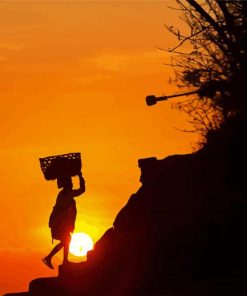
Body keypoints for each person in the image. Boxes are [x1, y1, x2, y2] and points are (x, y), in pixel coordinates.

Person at [42, 172, 85, 269]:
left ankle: (51, 258)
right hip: (60, 223)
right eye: (70, 183)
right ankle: (60, 259)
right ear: (67, 185)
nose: (71, 184)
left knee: (66, 240)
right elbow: (82, 190)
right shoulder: (66, 194)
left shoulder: (63, 194)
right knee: (66, 240)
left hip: (60, 223)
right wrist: (80, 176)